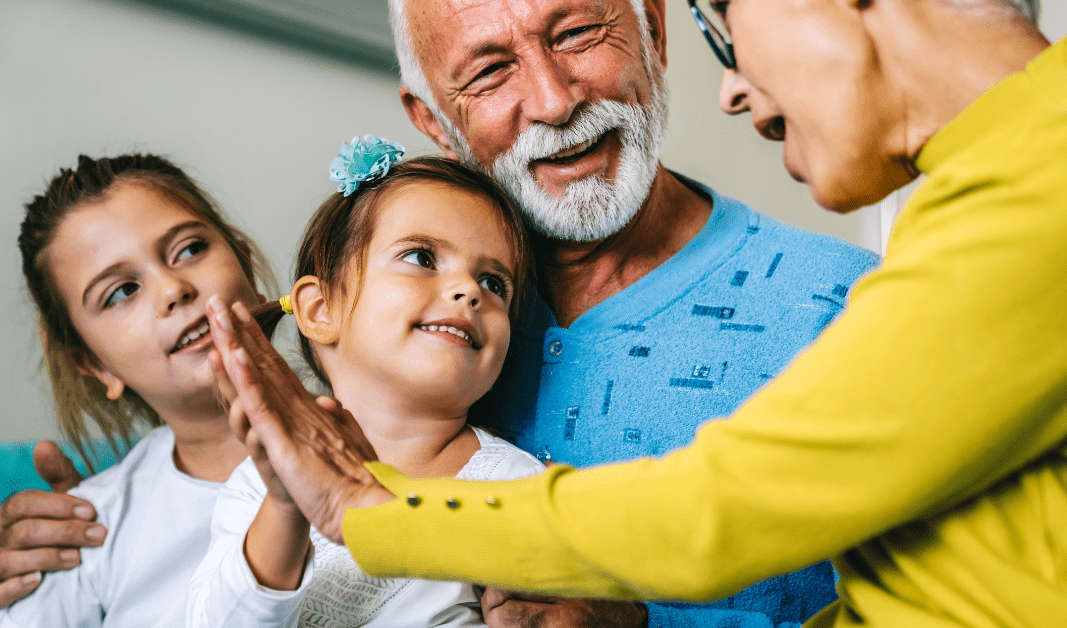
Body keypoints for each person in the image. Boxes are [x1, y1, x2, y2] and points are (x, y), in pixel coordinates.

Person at [207, 0, 1067, 627]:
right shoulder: (1044, 172)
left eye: (727, 22)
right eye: (492, 69)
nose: (735, 90)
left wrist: (369, 509)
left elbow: (728, 506)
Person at [0, 1, 877, 626]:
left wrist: (639, 622)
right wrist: (59, 508)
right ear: (430, 117)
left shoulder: (851, 309)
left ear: (652, 27)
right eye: (489, 71)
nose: (553, 99)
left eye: (576, 31)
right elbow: (214, 447)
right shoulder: (385, 324)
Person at [186, 144, 546, 627]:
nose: (468, 290)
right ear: (320, 310)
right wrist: (286, 503)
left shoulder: (515, 486)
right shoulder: (255, 486)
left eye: (494, 283)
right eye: (421, 257)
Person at [0, 154, 277, 627]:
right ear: (94, 365)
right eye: (120, 292)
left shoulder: (397, 428)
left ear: (246, 269)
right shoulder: (91, 530)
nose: (173, 289)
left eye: (190, 249)